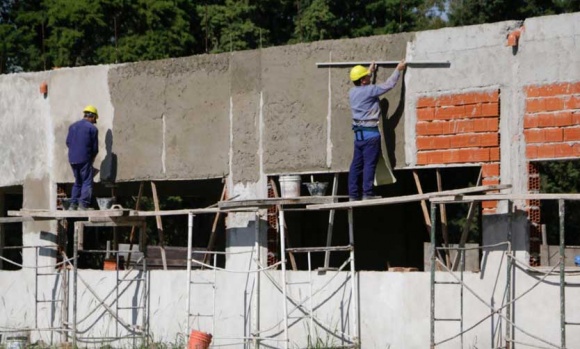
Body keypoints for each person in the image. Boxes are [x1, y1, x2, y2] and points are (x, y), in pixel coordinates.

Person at [348, 60, 406, 201]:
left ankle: (353, 195)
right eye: (366, 76)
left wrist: (369, 72)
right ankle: (367, 193)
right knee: (369, 164)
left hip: (359, 137)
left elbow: (366, 87)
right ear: (363, 80)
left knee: (356, 166)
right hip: (371, 136)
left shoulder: (352, 92)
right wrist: (398, 69)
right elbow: (388, 85)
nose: (368, 77)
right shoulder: (370, 90)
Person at [66, 105, 99, 210]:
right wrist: (92, 158)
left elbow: (68, 142)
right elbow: (95, 148)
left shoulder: (72, 126)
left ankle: (73, 205)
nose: (94, 121)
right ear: (92, 116)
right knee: (87, 181)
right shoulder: (92, 128)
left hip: (72, 159)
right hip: (85, 158)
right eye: (95, 119)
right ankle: (83, 204)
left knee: (77, 181)